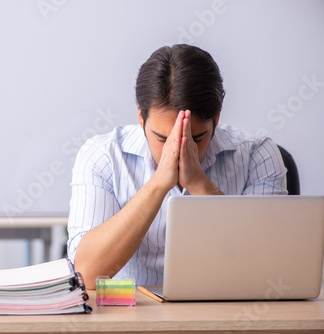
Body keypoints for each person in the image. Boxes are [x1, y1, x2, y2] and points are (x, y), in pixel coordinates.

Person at [67, 44, 287, 289]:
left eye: (196, 138)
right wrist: (159, 183)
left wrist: (199, 184)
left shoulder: (258, 154)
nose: (178, 150)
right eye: (163, 139)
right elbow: (86, 274)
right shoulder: (102, 156)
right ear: (141, 117)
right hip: (129, 318)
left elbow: (269, 268)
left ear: (217, 118)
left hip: (226, 316)